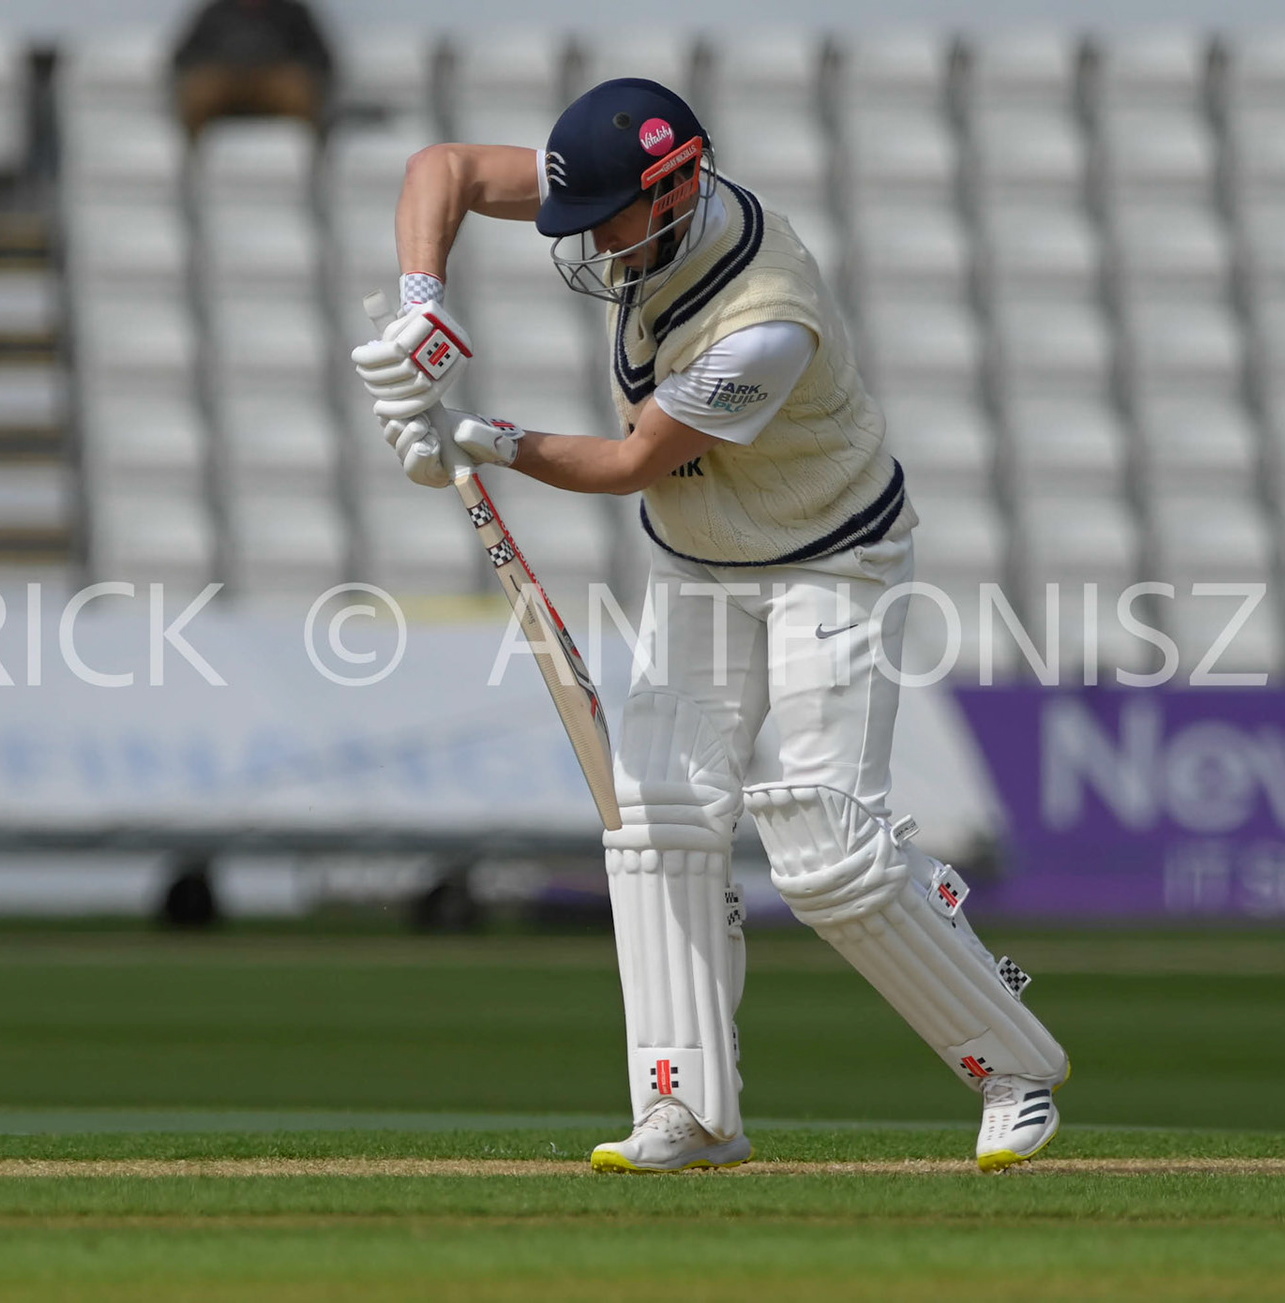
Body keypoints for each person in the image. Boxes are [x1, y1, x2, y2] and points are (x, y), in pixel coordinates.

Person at [350, 78, 1070, 1173]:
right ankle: (686, 1109)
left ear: (674, 187)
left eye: (606, 216)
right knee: (655, 817)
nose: (589, 239)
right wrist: (422, 302)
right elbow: (441, 170)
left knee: (827, 854)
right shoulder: (633, 204)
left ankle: (1016, 1067)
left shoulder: (763, 319)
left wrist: (476, 436)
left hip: (832, 560)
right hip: (703, 563)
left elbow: (633, 459)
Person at [169, 0, 334, 138]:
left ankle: (310, 162)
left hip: (274, 82)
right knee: (198, 91)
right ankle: (190, 163)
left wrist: (286, 66)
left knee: (299, 92)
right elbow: (184, 57)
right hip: (225, 81)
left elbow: (320, 58)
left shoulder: (293, 13)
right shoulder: (215, 13)